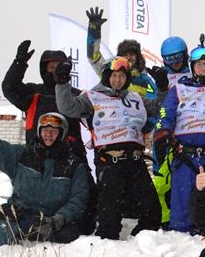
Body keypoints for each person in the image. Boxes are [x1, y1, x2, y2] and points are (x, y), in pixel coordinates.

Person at [54, 57, 161, 239]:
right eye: (114, 75)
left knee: (152, 210)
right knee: (109, 216)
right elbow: (67, 107)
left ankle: (142, 245)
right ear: (106, 76)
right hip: (109, 162)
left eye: (121, 76)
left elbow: (162, 107)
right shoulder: (93, 97)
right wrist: (62, 82)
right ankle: (107, 251)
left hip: (135, 161)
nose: (117, 80)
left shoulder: (136, 98)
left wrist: (163, 87)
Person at [0, 97, 88, 245]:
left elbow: (77, 200)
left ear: (62, 133)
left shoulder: (73, 164)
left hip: (51, 223)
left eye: (53, 131)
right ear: (39, 132)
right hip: (22, 219)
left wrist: (58, 219)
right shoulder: (21, 154)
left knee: (71, 233)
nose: (48, 134)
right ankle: (7, 254)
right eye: (45, 130)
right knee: (3, 212)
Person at [154, 45, 205, 234]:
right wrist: (163, 131)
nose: (203, 68)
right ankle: (180, 233)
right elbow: (167, 111)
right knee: (182, 196)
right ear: (192, 66)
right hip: (184, 153)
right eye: (199, 64)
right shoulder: (180, 88)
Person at [84, 7, 158, 105]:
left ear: (138, 57)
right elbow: (93, 56)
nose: (128, 58)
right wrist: (94, 29)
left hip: (134, 118)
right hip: (107, 115)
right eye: (125, 55)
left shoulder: (145, 81)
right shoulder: (108, 71)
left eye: (132, 54)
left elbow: (154, 104)